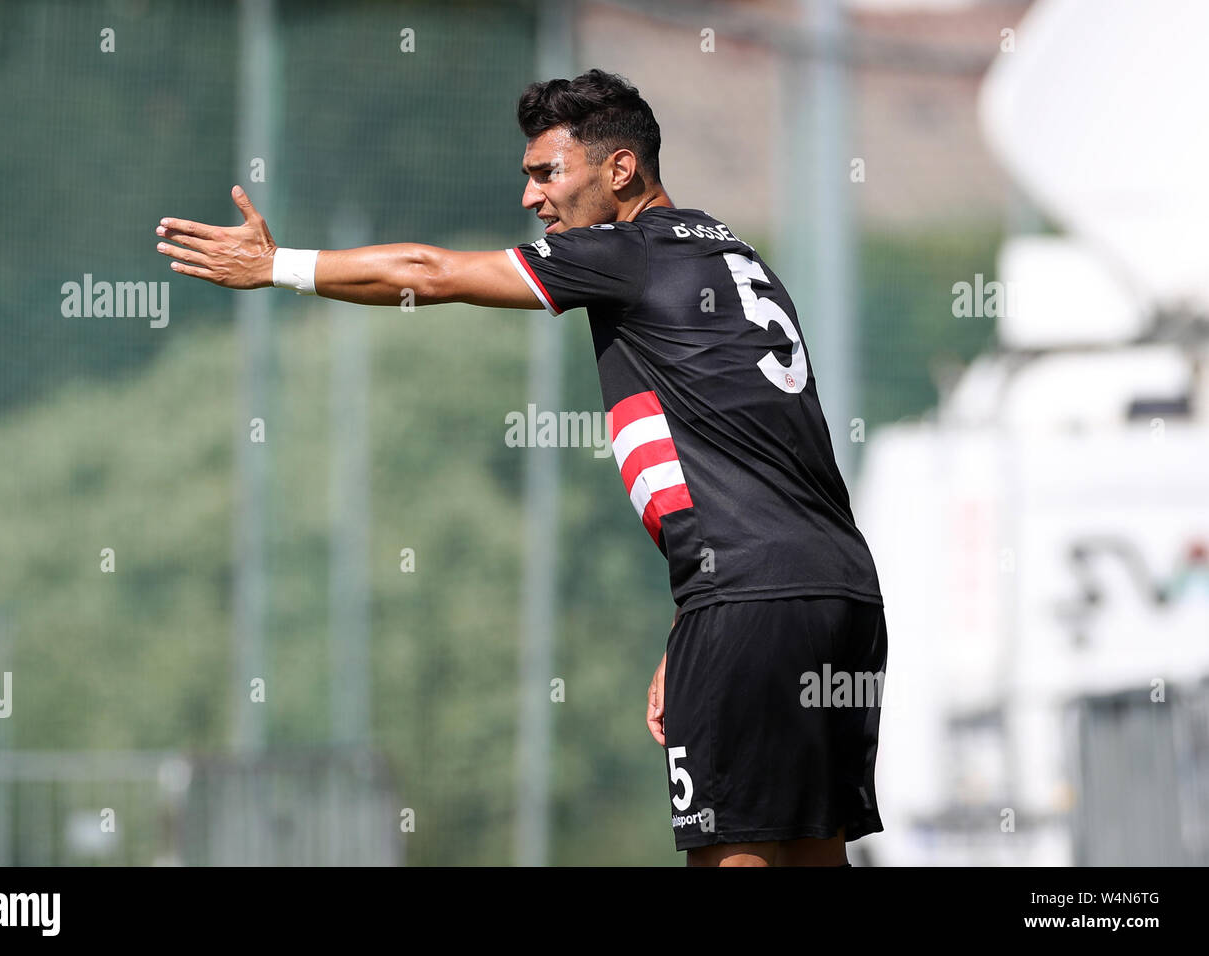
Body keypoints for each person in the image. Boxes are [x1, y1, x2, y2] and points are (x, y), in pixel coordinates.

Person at [155, 68, 886, 867]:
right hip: (839, 593)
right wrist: (690, 626)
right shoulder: (732, 255)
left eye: (548, 173)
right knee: (816, 855)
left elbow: (428, 274)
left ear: (620, 170)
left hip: (749, 601)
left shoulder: (625, 253)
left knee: (733, 853)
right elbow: (753, 462)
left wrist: (278, 266)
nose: (534, 198)